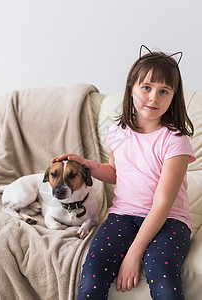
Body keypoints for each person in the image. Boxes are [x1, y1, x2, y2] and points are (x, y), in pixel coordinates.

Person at [52, 45, 196, 300]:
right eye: (146, 88)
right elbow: (117, 172)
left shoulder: (175, 140)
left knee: (162, 270)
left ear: (173, 97)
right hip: (123, 216)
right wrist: (88, 165)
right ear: (131, 88)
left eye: (164, 91)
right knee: (91, 276)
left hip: (169, 220)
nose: (153, 98)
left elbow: (162, 204)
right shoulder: (118, 131)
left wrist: (133, 254)